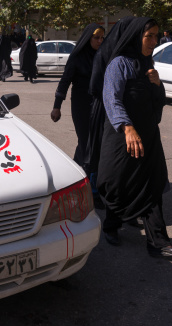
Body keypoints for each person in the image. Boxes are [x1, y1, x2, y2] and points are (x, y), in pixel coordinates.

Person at [97, 17, 172, 258]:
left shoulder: (148, 64)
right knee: (118, 183)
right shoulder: (119, 64)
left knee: (152, 185)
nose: (155, 41)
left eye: (157, 36)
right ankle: (112, 226)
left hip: (148, 137)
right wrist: (127, 128)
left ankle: (158, 242)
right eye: (150, 36)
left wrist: (158, 85)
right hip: (122, 137)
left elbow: (156, 102)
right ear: (137, 37)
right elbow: (111, 99)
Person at [50, 24, 105, 206]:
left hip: (99, 106)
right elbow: (65, 81)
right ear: (88, 38)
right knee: (86, 143)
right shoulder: (77, 57)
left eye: (102, 38)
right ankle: (91, 189)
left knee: (92, 146)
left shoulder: (102, 56)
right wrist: (57, 106)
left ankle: (77, 177)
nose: (99, 41)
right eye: (96, 37)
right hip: (81, 107)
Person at [86, 17, 135, 210]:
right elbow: (97, 87)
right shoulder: (106, 55)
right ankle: (95, 190)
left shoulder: (127, 55)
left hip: (117, 110)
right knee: (98, 150)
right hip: (101, 108)